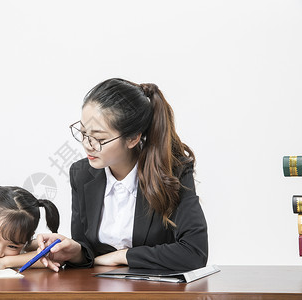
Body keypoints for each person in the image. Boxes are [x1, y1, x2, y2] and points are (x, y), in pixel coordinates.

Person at [37, 78, 208, 272]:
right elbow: (88, 250)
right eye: (83, 132)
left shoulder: (173, 173)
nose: (87, 144)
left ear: (133, 138)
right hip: (98, 290)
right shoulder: (82, 173)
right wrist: (74, 250)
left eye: (99, 138)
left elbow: (194, 252)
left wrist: (123, 256)